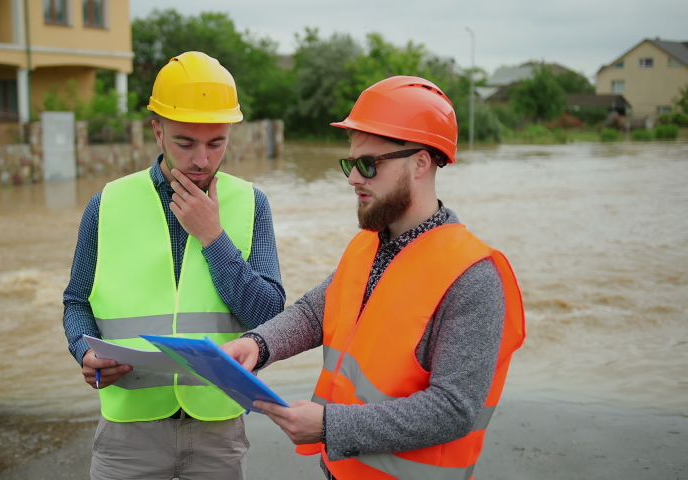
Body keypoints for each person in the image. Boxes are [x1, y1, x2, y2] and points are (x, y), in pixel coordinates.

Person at [222, 76, 526, 480]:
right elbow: (317, 312)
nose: (352, 179)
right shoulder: (368, 245)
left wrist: (331, 426)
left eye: (369, 165)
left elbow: (455, 408)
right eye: (351, 163)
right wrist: (259, 344)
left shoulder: (473, 275)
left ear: (420, 163)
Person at [62, 51, 285, 480]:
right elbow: (76, 302)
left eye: (216, 143)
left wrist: (213, 237)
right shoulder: (105, 205)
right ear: (158, 131)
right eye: (186, 143)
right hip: (129, 432)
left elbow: (269, 316)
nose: (201, 160)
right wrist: (83, 351)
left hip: (217, 429)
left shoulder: (252, 205)